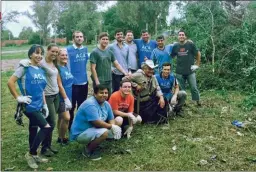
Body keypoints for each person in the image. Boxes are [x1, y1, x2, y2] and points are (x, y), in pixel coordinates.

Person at [19, 44, 72, 157]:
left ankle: (47, 145)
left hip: (56, 95)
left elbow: (59, 74)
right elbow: (30, 62)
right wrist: (23, 61)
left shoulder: (55, 62)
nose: (55, 54)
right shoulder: (41, 62)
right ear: (47, 51)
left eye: (56, 52)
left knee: (52, 122)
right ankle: (43, 147)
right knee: (51, 122)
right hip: (47, 96)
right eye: (53, 51)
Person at [7, 45, 50, 169]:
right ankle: (30, 153)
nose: (39, 55)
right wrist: (18, 97)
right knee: (46, 127)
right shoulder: (24, 68)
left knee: (33, 128)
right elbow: (10, 82)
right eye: (36, 53)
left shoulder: (40, 70)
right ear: (30, 54)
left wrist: (45, 104)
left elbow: (42, 89)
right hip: (29, 105)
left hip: (39, 105)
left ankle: (34, 154)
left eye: (41, 53)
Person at [70, 85, 122, 161]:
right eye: (101, 93)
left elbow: (111, 119)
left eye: (106, 93)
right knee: (104, 132)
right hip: (81, 133)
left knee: (118, 120)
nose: (104, 95)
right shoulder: (90, 104)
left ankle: (97, 142)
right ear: (94, 94)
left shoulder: (106, 104)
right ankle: (87, 151)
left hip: (93, 129)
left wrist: (113, 127)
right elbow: (96, 123)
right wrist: (111, 127)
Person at [90, 32, 129, 97]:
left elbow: (116, 64)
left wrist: (125, 73)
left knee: (108, 98)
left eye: (106, 39)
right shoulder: (95, 52)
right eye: (103, 39)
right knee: (99, 98)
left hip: (108, 80)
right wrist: (97, 81)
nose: (105, 41)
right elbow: (92, 68)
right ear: (99, 40)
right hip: (100, 80)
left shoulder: (110, 52)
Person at [171, 30, 201, 106]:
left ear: (185, 36)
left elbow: (198, 53)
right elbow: (171, 56)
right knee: (181, 89)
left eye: (182, 35)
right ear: (178, 37)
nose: (181, 36)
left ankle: (197, 101)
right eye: (180, 35)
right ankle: (182, 103)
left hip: (190, 71)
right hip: (179, 72)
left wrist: (197, 65)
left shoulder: (190, 44)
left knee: (194, 87)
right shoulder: (175, 46)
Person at [66, 31, 89, 130]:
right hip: (73, 83)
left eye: (81, 37)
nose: (79, 38)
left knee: (82, 106)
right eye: (77, 37)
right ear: (73, 38)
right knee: (71, 106)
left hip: (84, 82)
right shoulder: (68, 50)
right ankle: (70, 127)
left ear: (83, 38)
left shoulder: (85, 49)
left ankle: (79, 125)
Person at [56, 48, 74, 145]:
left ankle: (60, 137)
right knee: (67, 118)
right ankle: (62, 137)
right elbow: (59, 85)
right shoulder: (57, 69)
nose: (64, 57)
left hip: (69, 94)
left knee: (61, 117)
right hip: (62, 96)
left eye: (66, 55)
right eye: (62, 55)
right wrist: (65, 98)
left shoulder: (65, 66)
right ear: (58, 56)